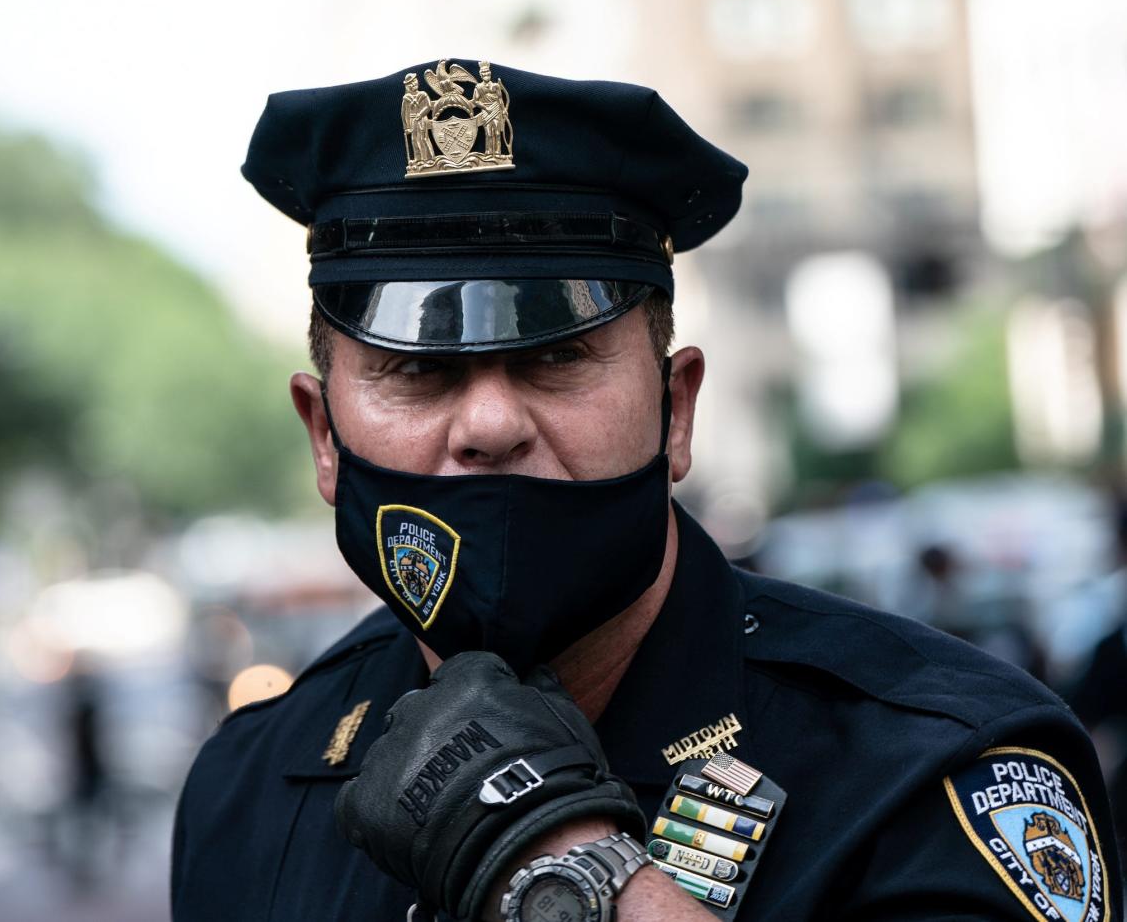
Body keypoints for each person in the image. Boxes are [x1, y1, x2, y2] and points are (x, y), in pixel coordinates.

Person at [170, 59, 1122, 922]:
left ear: (677, 410)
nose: (491, 425)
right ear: (322, 432)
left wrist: (558, 863)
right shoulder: (253, 785)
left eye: (556, 358)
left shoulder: (932, 770)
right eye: (417, 372)